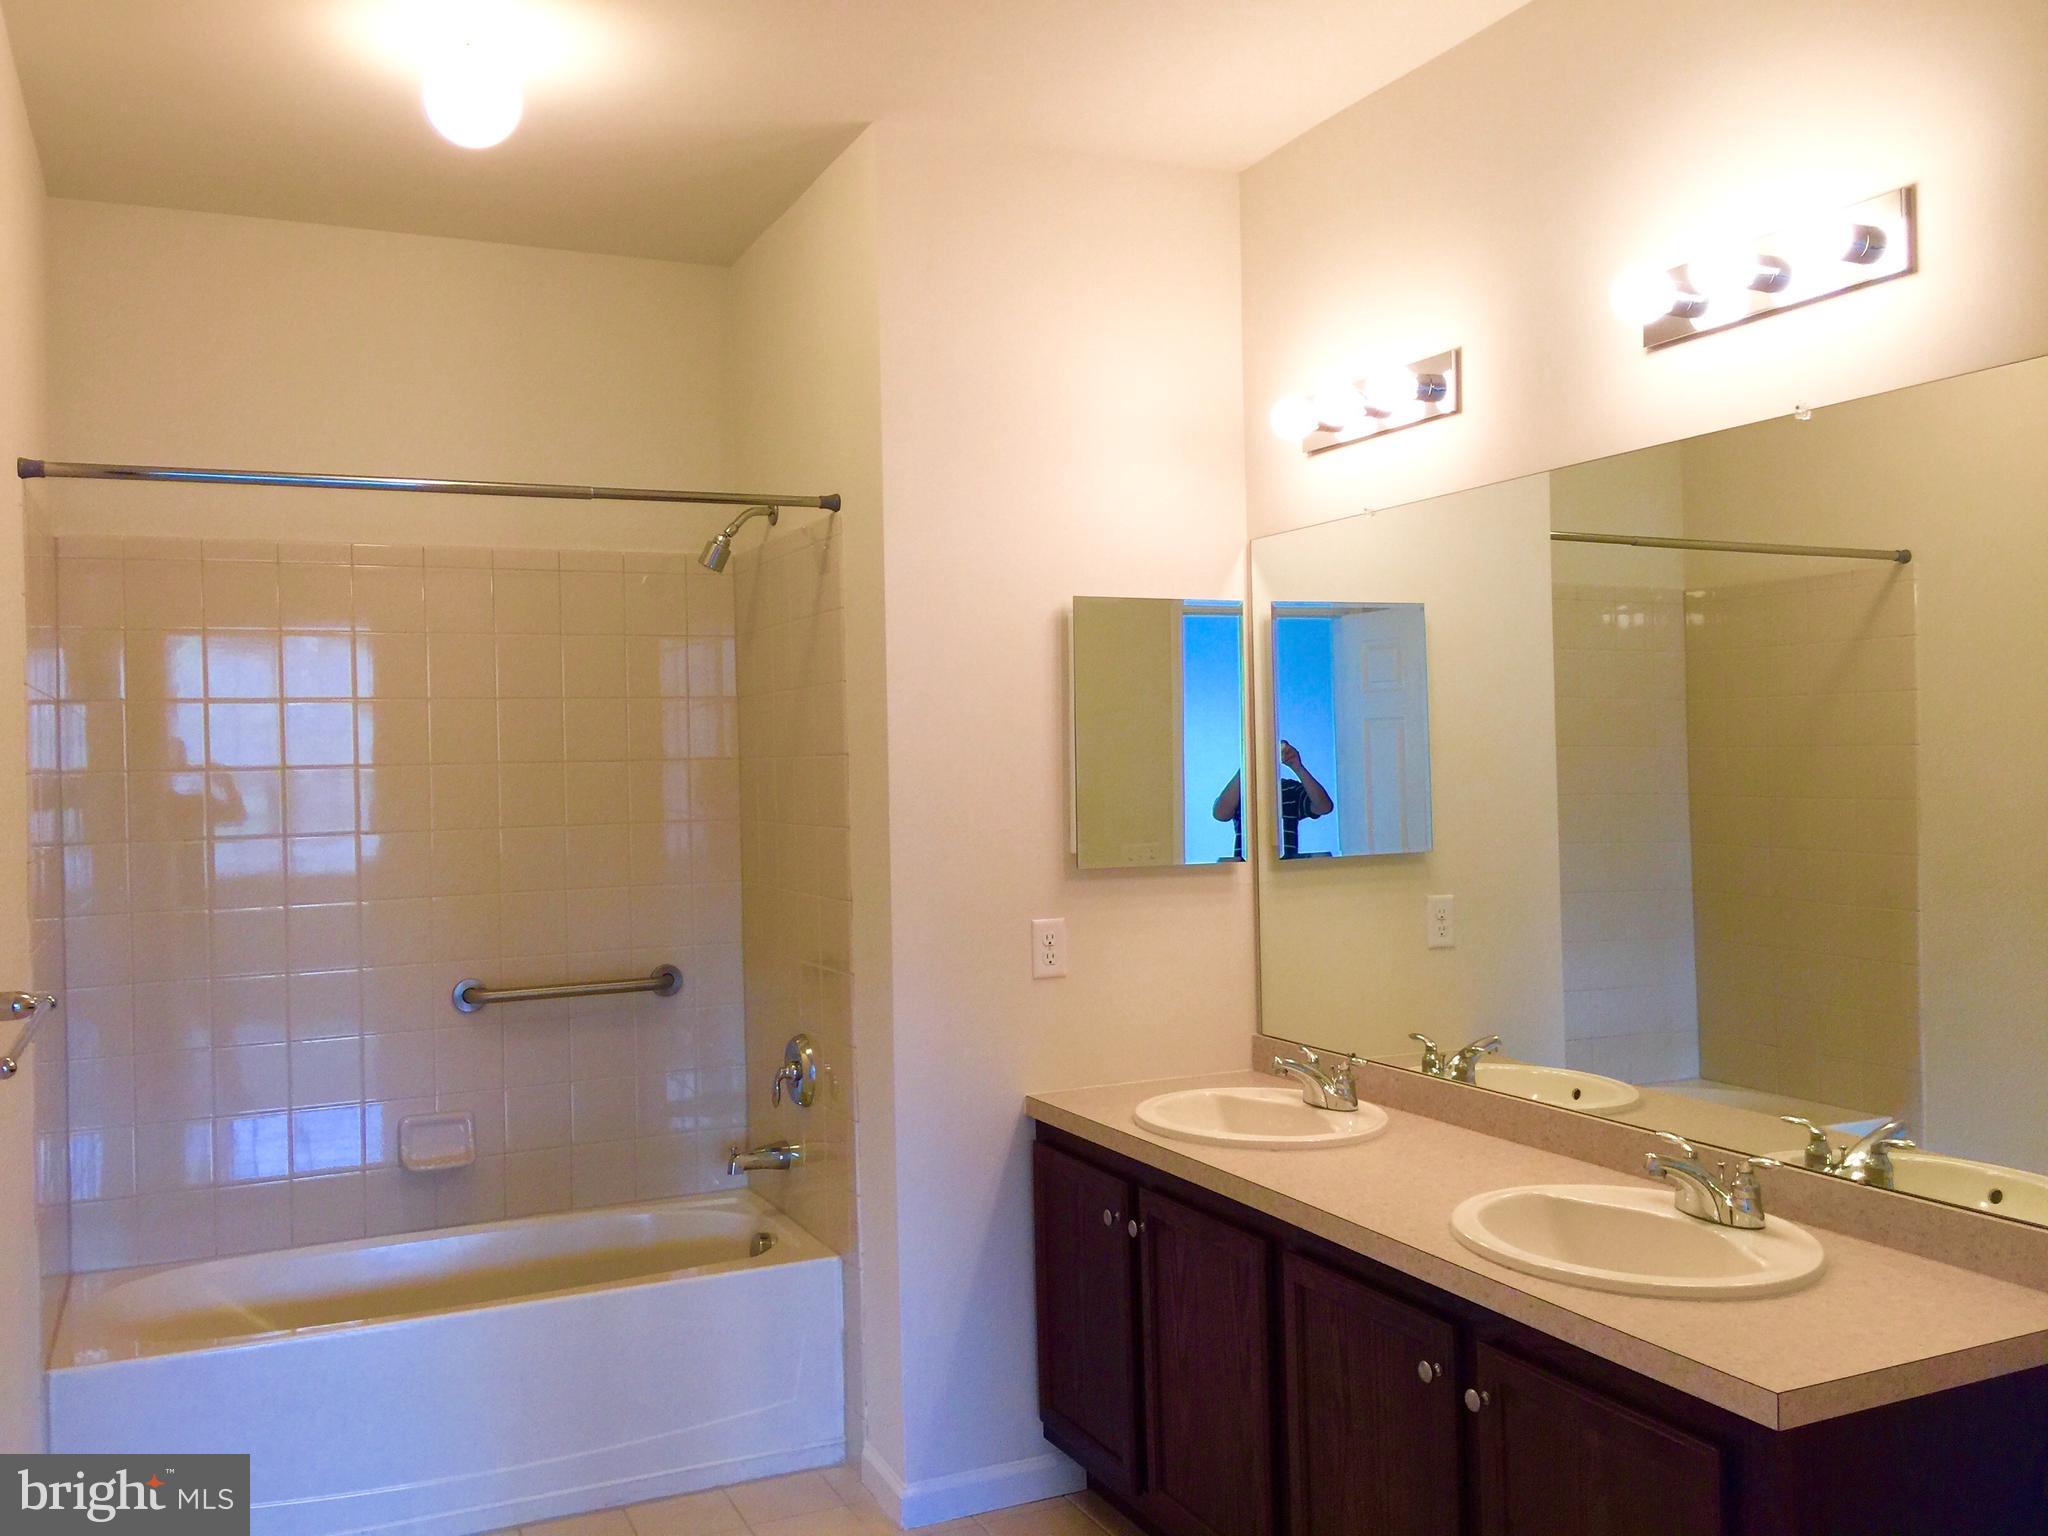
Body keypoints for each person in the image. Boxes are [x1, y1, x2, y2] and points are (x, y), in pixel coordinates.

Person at [1213, 739, 1334, 859]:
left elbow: (1324, 807)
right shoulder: (1242, 792)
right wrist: (1246, 765)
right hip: (1246, 869)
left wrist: (1297, 766)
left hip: (1285, 870)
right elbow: (1221, 814)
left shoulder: (1289, 789)